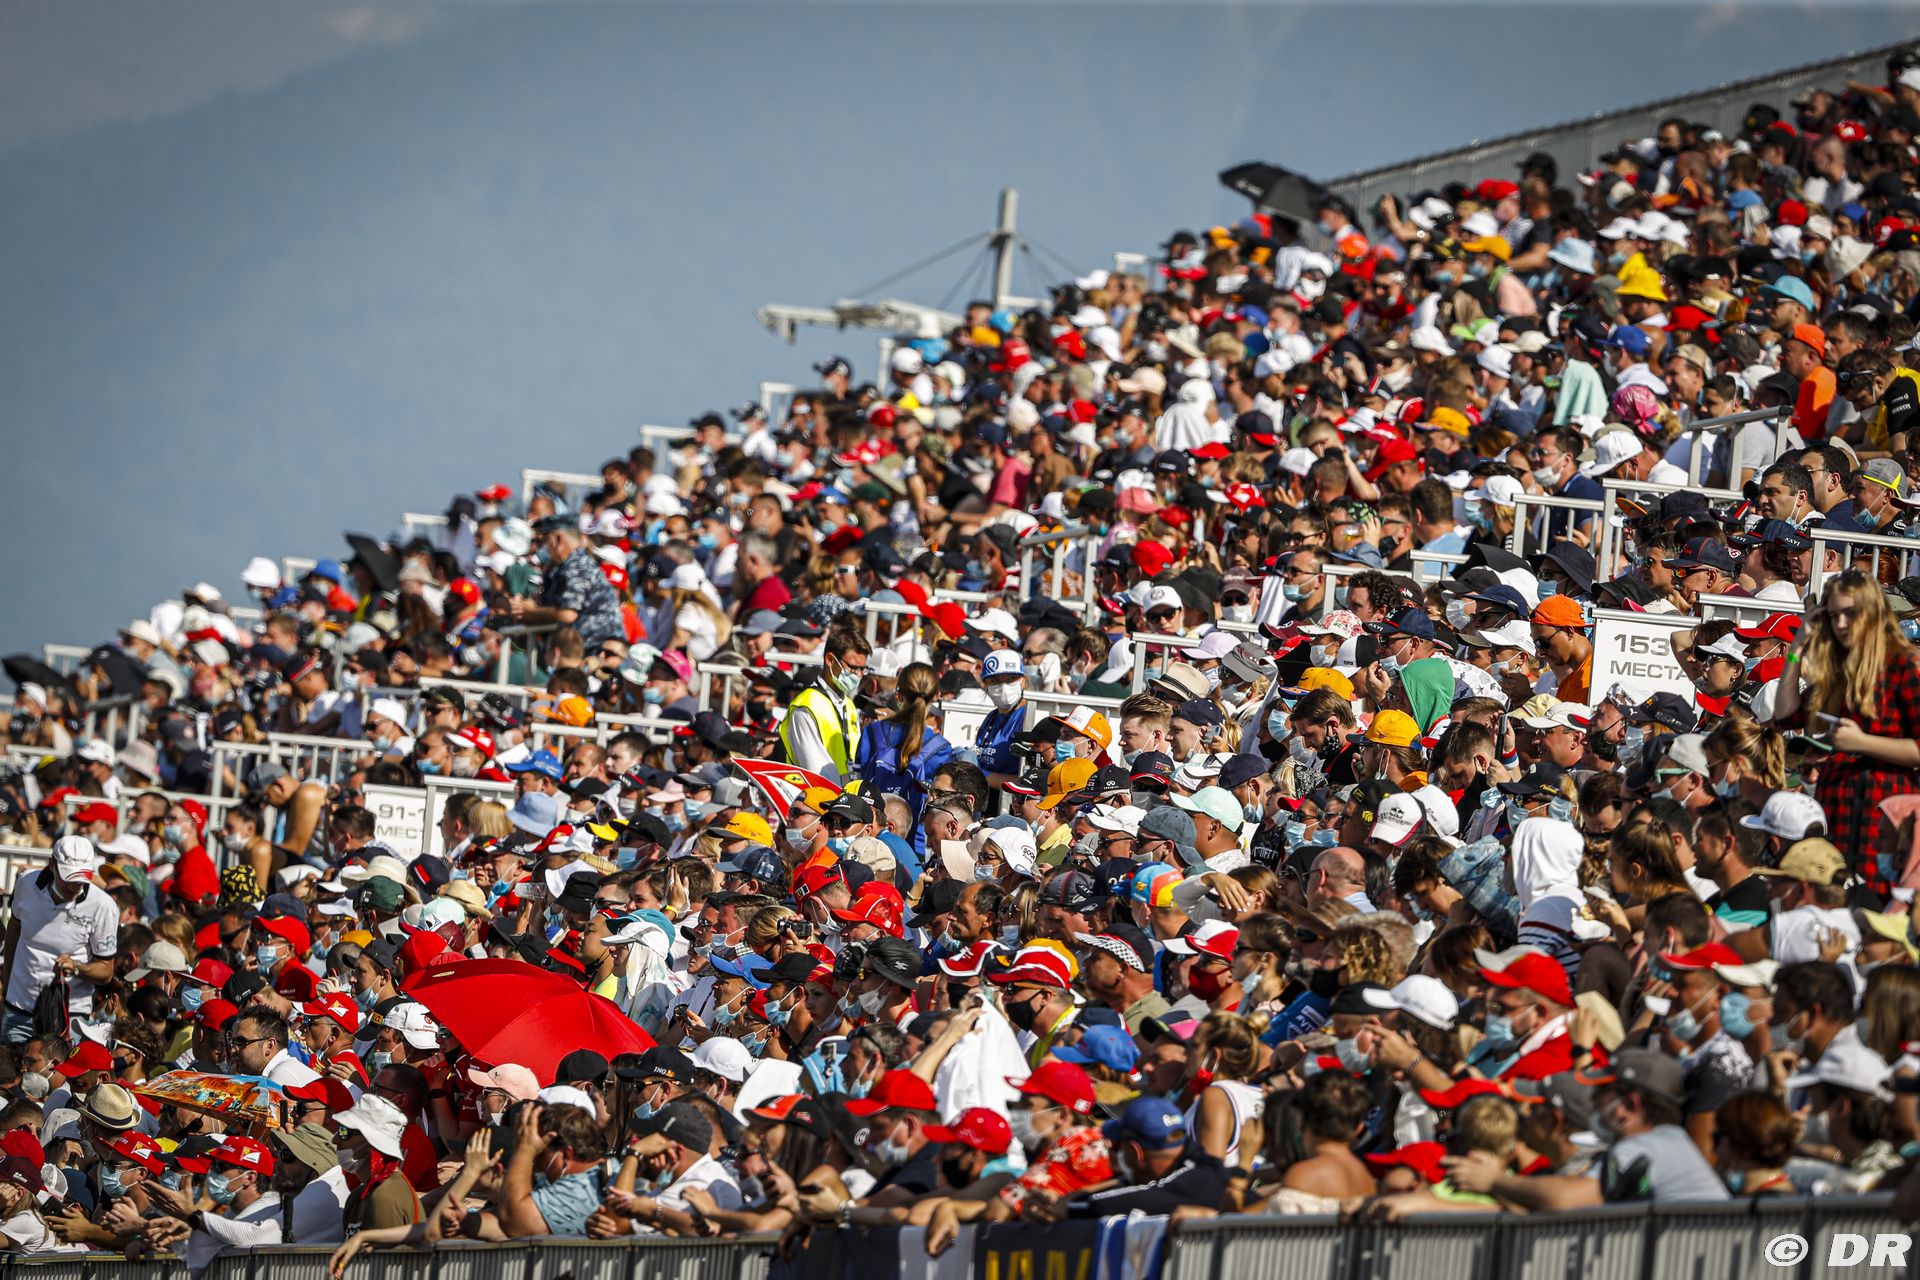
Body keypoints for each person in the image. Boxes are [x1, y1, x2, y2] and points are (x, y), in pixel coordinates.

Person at [1774, 570, 1920, 894]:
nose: (1841, 624)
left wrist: (1864, 743)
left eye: (1850, 613)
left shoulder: (1904, 665)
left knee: (1872, 905)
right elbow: (1784, 715)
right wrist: (1798, 646)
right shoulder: (1837, 672)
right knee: (1832, 900)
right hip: (1837, 806)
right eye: (1833, 615)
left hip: (1883, 812)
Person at [0, 837, 117, 1045]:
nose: (74, 886)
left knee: (60, 1067)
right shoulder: (26, 883)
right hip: (19, 1007)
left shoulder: (103, 906)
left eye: (80, 879)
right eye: (68, 878)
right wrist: (8, 988)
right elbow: (14, 931)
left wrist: (77, 968)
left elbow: (106, 971)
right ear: (52, 865)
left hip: (69, 1014)